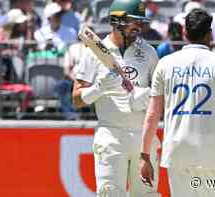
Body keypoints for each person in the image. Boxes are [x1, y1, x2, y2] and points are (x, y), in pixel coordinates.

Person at [140, 9, 215, 197]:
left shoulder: (165, 63)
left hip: (178, 151)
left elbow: (152, 114)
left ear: (185, 33)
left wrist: (144, 155)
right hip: (213, 152)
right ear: (210, 34)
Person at [72, 0, 160, 196]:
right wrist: (98, 89)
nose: (138, 26)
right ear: (116, 21)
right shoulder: (93, 52)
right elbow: (76, 99)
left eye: (140, 22)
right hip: (111, 135)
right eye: (132, 21)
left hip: (143, 136)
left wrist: (147, 97)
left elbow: (160, 96)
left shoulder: (149, 52)